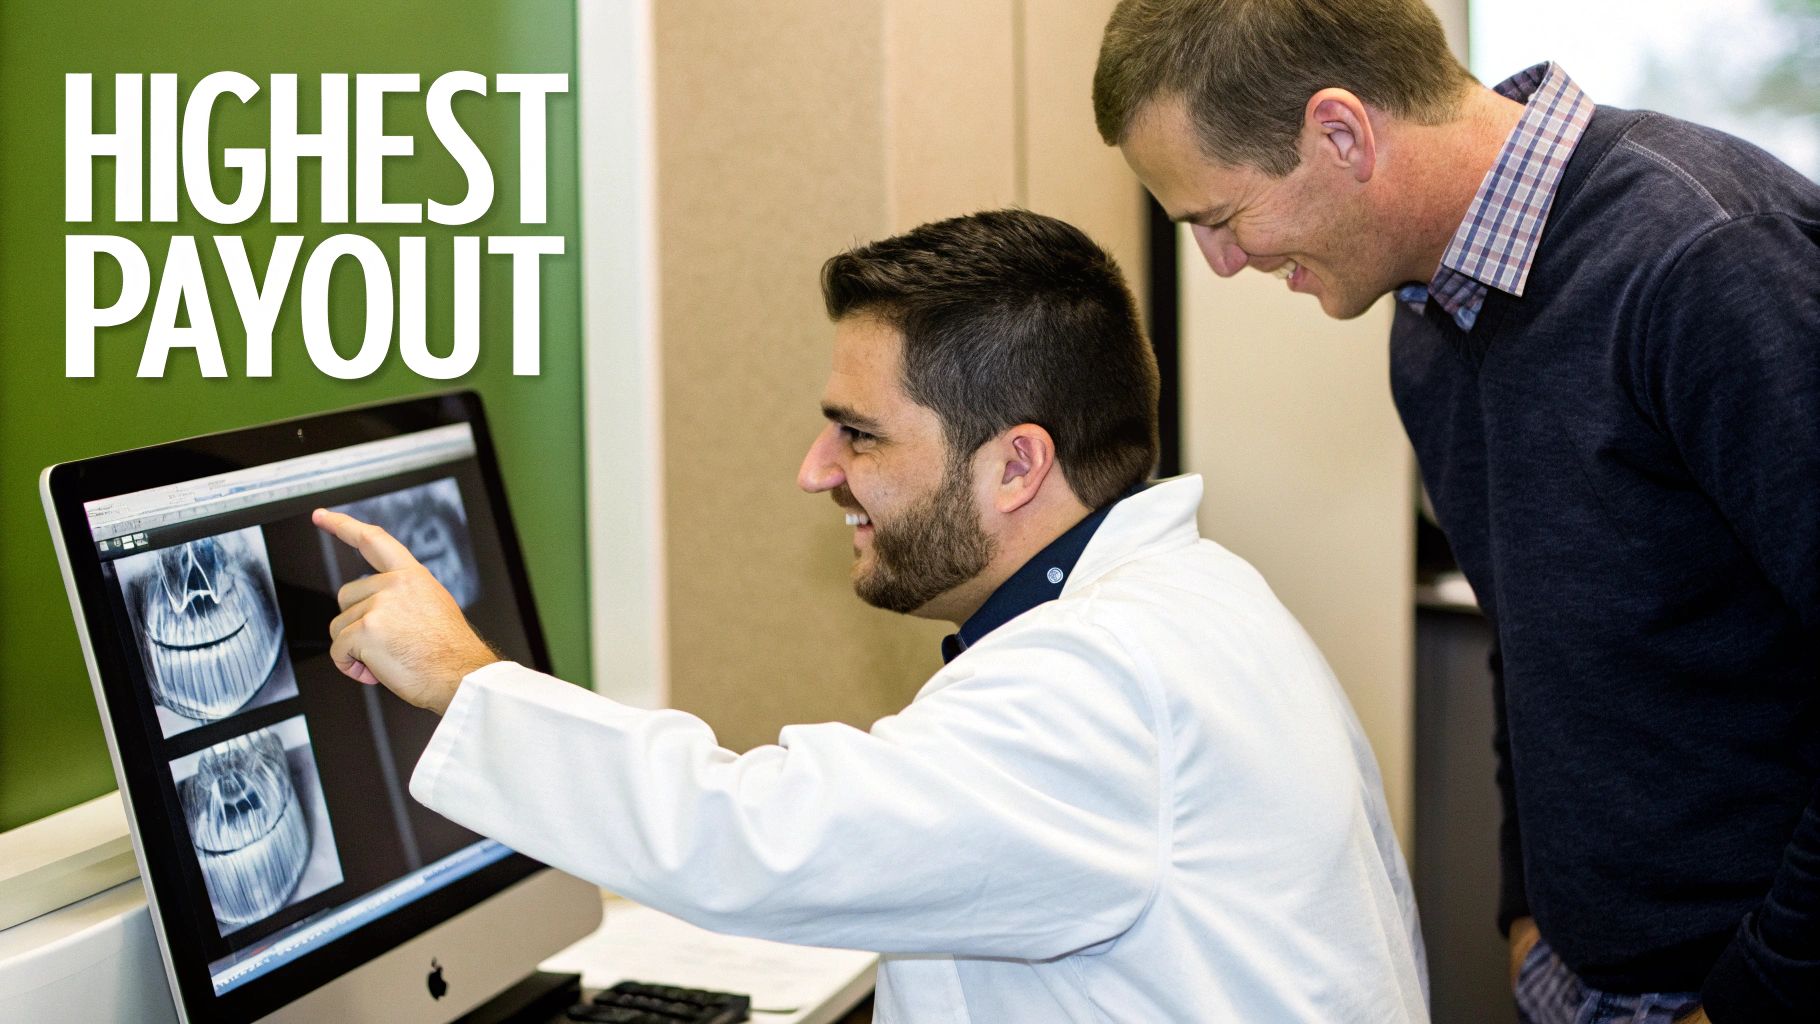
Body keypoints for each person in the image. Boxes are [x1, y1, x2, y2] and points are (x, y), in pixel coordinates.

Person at [313, 209, 1429, 1022]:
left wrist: (463, 679)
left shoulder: (1099, 684)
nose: (814, 472)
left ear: (1014, 465)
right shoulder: (1194, 601)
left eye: (858, 434)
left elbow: (757, 838)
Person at [1092, 3, 1820, 1022]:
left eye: (1219, 219)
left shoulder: (1705, 259)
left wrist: (1754, 998)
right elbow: (1527, 636)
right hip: (1577, 973)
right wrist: (1527, 911)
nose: (1220, 265)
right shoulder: (1430, 326)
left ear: (1339, 132)